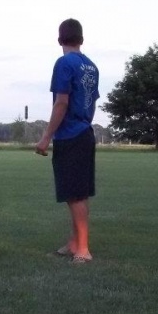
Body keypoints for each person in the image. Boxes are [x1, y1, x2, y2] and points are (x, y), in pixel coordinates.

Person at [35, 18, 99, 264]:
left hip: (70, 135)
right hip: (85, 133)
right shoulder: (91, 66)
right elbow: (92, 101)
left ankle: (83, 249)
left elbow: (61, 102)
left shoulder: (63, 63)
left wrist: (46, 136)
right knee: (77, 193)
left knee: (75, 195)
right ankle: (75, 242)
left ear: (59, 39)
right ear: (81, 39)